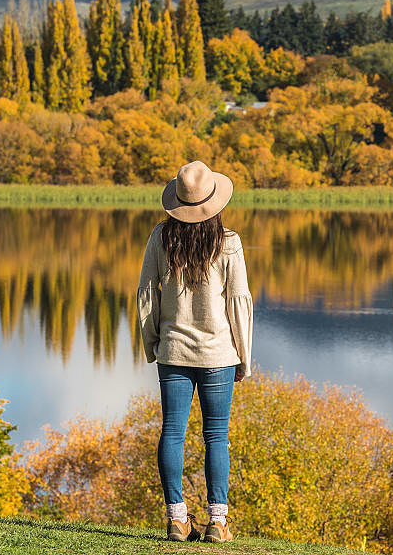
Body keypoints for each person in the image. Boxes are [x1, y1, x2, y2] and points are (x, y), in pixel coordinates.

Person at [136, 161, 254, 543]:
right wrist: (244, 357)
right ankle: (217, 522)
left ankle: (176, 518)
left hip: (173, 351)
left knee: (172, 432)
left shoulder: (160, 237)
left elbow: (147, 295)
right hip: (220, 353)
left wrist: (151, 342)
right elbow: (239, 302)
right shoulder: (229, 242)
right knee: (216, 436)